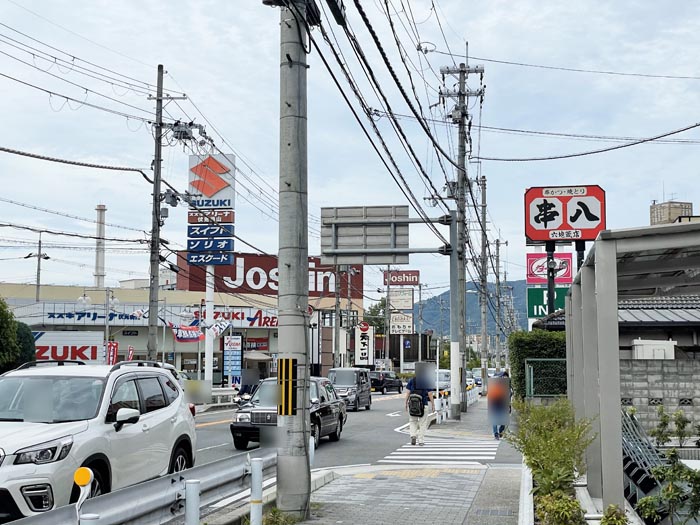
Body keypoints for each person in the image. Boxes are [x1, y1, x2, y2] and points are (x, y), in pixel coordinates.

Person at [405, 375, 435, 446]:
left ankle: (413, 435)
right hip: (423, 404)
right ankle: (421, 440)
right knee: (423, 423)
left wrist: (406, 403)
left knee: (412, 421)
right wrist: (433, 404)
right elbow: (430, 394)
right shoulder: (427, 381)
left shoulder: (412, 380)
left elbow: (408, 393)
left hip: (412, 405)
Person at [487, 371, 511, 439]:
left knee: (503, 422)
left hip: (503, 406)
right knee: (495, 421)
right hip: (495, 405)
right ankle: (496, 434)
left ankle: (500, 432)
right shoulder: (495, 387)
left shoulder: (507, 387)